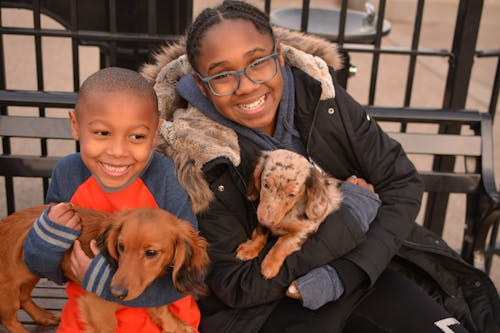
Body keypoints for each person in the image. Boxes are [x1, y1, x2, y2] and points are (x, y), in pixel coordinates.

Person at [142, 1, 500, 332]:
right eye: (222, 75)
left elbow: (400, 181)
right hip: (264, 312)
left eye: (258, 62)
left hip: (363, 272)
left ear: (279, 56)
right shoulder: (191, 154)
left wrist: (342, 274)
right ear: (202, 88)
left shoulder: (319, 95)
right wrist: (356, 211)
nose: (247, 86)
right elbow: (238, 285)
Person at [23, 67, 202, 332]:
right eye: (102, 133)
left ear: (155, 134)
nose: (118, 152)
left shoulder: (166, 178)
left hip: (160, 319)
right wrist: (44, 243)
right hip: (88, 314)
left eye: (137, 136)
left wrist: (103, 282)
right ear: (75, 126)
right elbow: (48, 266)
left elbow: (192, 274)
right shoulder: (68, 174)